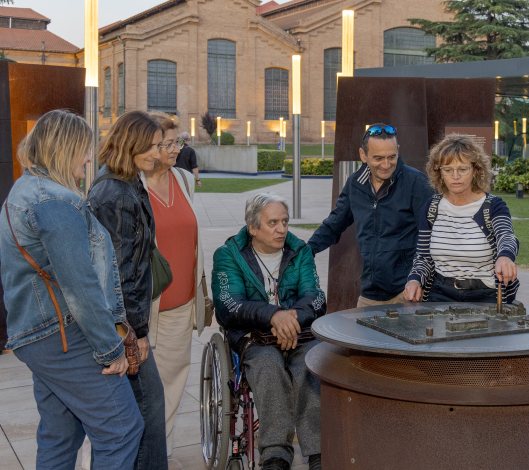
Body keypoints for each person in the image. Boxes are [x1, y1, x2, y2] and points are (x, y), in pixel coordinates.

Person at [0, 110, 143, 468]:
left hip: (38, 334)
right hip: (61, 333)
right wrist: (111, 349)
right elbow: (80, 286)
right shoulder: (56, 202)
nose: (89, 159)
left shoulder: (26, 188)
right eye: (84, 149)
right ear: (65, 149)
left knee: (60, 434)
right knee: (122, 429)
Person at [212, 193, 325, 470]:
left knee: (310, 367)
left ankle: (319, 452)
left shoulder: (300, 251)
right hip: (256, 337)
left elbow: (316, 297)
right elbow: (229, 305)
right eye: (272, 223)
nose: (281, 229)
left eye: (284, 222)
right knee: (268, 366)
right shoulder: (229, 256)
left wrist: (291, 319)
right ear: (253, 228)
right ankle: (275, 454)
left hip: (299, 333)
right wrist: (273, 315)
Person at [88, 111, 168, 469]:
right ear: (132, 144)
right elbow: (120, 273)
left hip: (125, 322)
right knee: (147, 407)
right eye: (151, 146)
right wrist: (136, 332)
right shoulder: (115, 192)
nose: (158, 153)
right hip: (124, 326)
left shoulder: (126, 181)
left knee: (144, 409)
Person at [308, 123, 433, 307]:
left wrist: (419, 280)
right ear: (363, 155)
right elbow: (334, 224)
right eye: (378, 158)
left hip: (408, 292)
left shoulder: (416, 183)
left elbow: (433, 234)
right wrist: (307, 250)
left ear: (398, 150)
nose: (386, 164)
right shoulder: (355, 184)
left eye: (392, 157)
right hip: (369, 293)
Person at [143, 114, 207, 456]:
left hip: (181, 307)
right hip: (144, 309)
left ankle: (160, 456)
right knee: (131, 395)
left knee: (170, 388)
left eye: (176, 142)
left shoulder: (184, 180)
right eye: (167, 143)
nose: (174, 149)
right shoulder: (132, 186)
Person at [404, 134, 519, 304]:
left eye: (462, 169)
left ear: (475, 170)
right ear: (439, 172)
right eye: (448, 170)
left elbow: (506, 236)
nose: (455, 176)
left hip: (485, 295)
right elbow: (423, 256)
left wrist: (505, 257)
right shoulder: (431, 208)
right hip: (439, 293)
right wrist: (414, 279)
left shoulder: (493, 206)